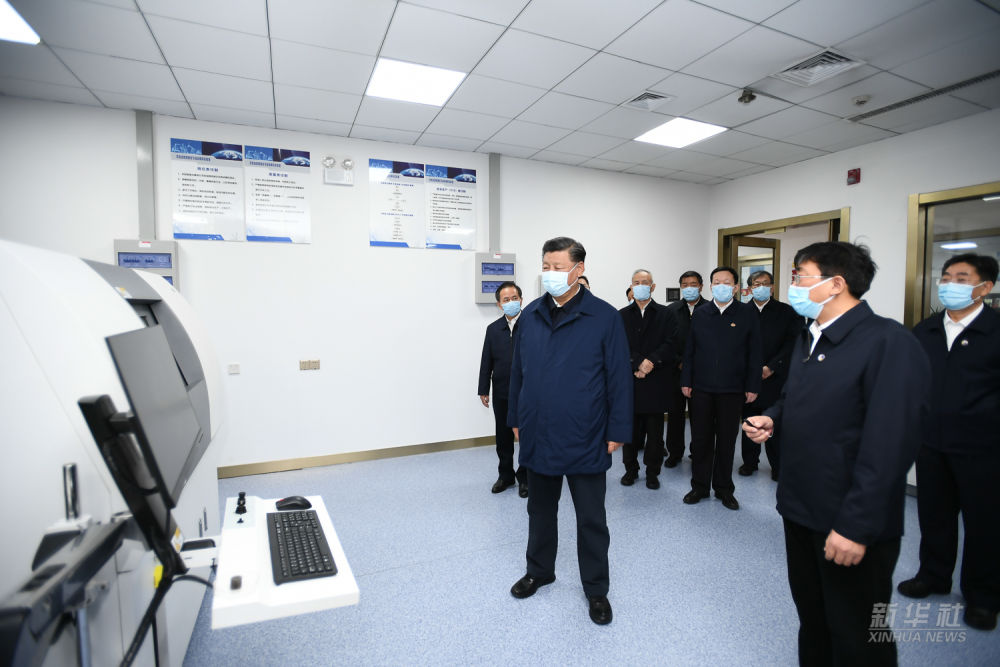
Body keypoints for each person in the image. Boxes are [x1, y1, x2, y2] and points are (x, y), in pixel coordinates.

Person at [743, 242, 930, 665]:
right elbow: (794, 396)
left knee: (858, 634)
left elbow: (891, 445)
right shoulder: (810, 336)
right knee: (814, 620)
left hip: (848, 520)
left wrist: (856, 527)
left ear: (836, 284)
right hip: (801, 507)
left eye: (800, 275)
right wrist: (773, 418)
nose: (792, 285)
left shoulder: (888, 342)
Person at [507, 236, 632, 626]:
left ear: (579, 270)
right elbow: (517, 373)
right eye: (546, 266)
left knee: (591, 518)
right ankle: (539, 571)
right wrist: (515, 418)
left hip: (587, 433)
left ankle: (596, 589)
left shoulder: (604, 317)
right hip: (539, 430)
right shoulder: (530, 315)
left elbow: (619, 378)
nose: (550, 273)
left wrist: (617, 429)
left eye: (558, 267)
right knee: (539, 510)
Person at [896, 253, 999, 632]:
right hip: (932, 442)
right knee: (934, 514)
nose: (949, 284)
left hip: (983, 446)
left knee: (984, 523)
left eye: (961, 278)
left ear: (985, 288)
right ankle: (933, 575)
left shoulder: (995, 331)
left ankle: (983, 597)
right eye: (946, 276)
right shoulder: (925, 330)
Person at [681, 266, 760, 510]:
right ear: (711, 286)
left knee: (727, 441)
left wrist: (752, 385)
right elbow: (690, 350)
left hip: (732, 389)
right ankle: (699, 486)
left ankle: (724, 488)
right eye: (717, 282)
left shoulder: (746, 313)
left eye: (726, 282)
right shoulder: (701, 313)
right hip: (701, 388)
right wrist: (686, 380)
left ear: (735, 287)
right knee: (701, 439)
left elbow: (755, 353)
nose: (721, 286)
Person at [738, 270, 801, 481]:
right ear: (749, 288)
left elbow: (792, 343)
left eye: (765, 283)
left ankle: (777, 465)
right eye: (756, 284)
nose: (761, 287)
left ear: (772, 287)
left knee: (774, 422)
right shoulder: (741, 312)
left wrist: (771, 367)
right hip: (748, 378)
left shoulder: (787, 312)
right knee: (749, 420)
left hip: (776, 377)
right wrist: (752, 370)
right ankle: (749, 462)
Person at [619, 270, 678, 490]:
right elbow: (618, 345)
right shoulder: (621, 315)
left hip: (657, 380)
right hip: (631, 380)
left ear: (652, 287)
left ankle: (653, 472)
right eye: (636, 282)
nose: (640, 285)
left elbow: (671, 343)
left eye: (645, 282)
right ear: (631, 286)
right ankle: (630, 470)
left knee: (655, 434)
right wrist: (637, 363)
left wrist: (651, 362)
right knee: (630, 432)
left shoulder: (666, 314)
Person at [478, 281, 528, 497]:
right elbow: (486, 361)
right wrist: (483, 389)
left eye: (514, 298)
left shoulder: (532, 325)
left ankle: (525, 477)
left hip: (527, 392)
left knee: (526, 436)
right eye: (506, 300)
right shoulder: (493, 329)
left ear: (521, 300)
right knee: (503, 437)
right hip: (501, 391)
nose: (511, 302)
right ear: (499, 304)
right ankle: (505, 475)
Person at [664, 271, 710, 466]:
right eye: (685, 285)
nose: (689, 288)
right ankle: (674, 453)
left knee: (701, 416)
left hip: (702, 372)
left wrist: (694, 363)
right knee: (675, 415)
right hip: (676, 371)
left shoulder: (710, 309)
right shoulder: (671, 310)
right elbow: (666, 340)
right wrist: (679, 361)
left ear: (701, 286)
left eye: (693, 284)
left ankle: (698, 452)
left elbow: (713, 343)